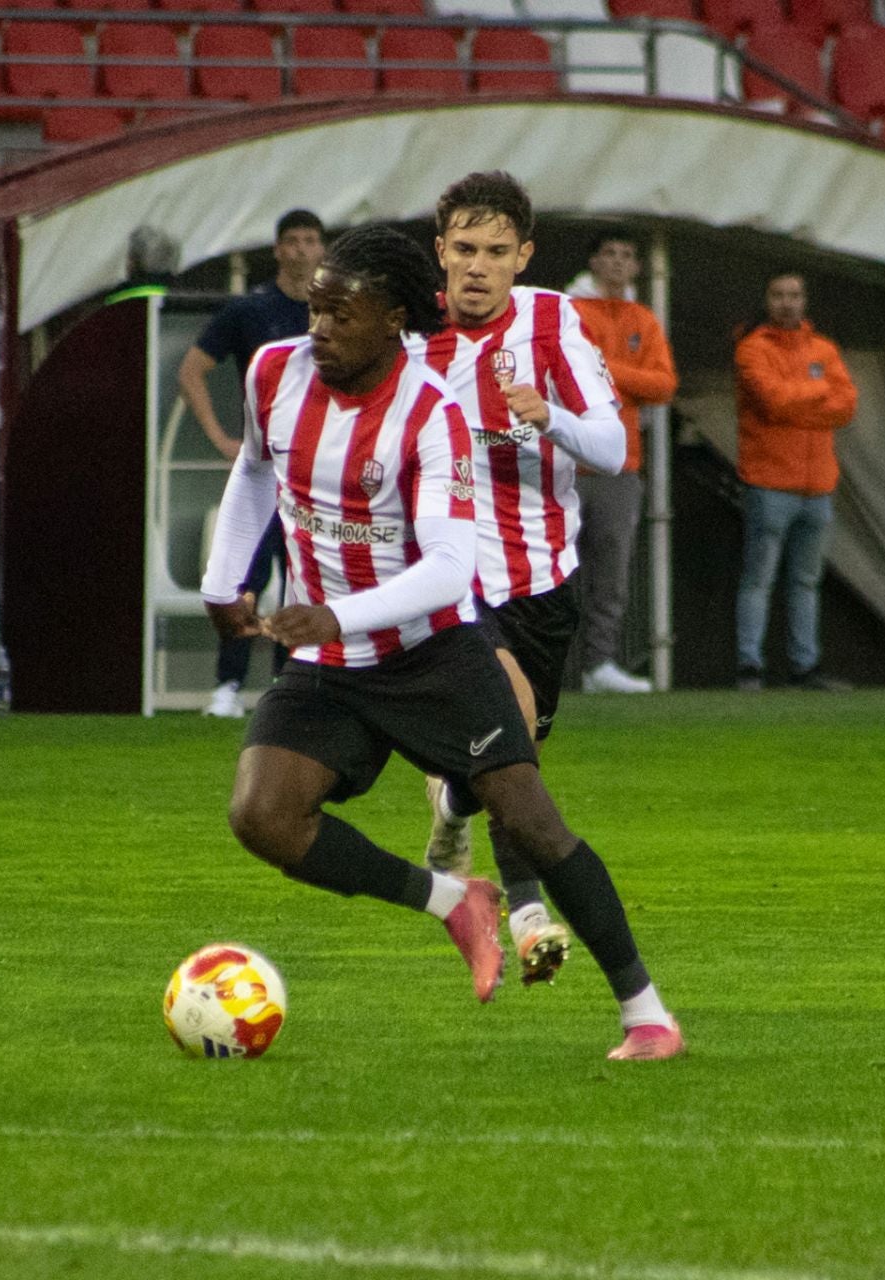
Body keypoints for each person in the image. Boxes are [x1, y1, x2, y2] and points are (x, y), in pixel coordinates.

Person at [202, 224, 681, 1060]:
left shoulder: (431, 413)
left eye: (340, 315)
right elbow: (251, 470)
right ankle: (454, 902)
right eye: (314, 309)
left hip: (431, 654)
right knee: (261, 816)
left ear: (393, 320)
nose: (318, 329)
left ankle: (646, 1013)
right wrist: (221, 580)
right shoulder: (273, 371)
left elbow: (453, 567)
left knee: (531, 822)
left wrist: (338, 614)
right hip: (331, 664)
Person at [405, 171, 627, 986]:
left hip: (542, 580)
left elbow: (613, 449)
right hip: (447, 579)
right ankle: (530, 913)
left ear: (523, 256)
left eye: (496, 252)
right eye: (463, 249)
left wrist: (551, 417)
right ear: (440, 252)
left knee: (509, 751)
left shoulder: (552, 320)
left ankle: (452, 809)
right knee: (510, 731)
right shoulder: (406, 334)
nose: (477, 267)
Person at [177, 209, 326, 717]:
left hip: (315, 472)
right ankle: (228, 686)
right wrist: (222, 437)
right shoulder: (251, 310)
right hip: (265, 468)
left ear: (322, 249)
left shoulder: (334, 311)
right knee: (245, 577)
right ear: (279, 249)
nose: (303, 250)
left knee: (304, 581)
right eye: (294, 241)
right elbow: (192, 370)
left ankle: (292, 685)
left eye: (311, 240)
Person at [733, 272, 858, 691]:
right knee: (761, 578)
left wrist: (798, 398)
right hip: (770, 480)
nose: (787, 302)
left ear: (805, 301)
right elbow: (772, 400)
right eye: (779, 295)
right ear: (767, 300)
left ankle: (805, 665)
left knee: (805, 580)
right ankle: (750, 664)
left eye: (794, 295)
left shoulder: (823, 347)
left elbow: (846, 407)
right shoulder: (753, 348)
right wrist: (818, 390)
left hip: (817, 483)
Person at [567, 230, 678, 694]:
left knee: (610, 576)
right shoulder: (567, 312)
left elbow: (664, 385)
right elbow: (565, 376)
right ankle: (547, 666)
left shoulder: (643, 319)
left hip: (620, 466)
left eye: (627, 255)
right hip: (565, 464)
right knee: (551, 573)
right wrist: (622, 379)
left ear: (636, 267)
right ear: (593, 261)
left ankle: (597, 666)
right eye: (609, 253)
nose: (617, 262)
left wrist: (608, 371)